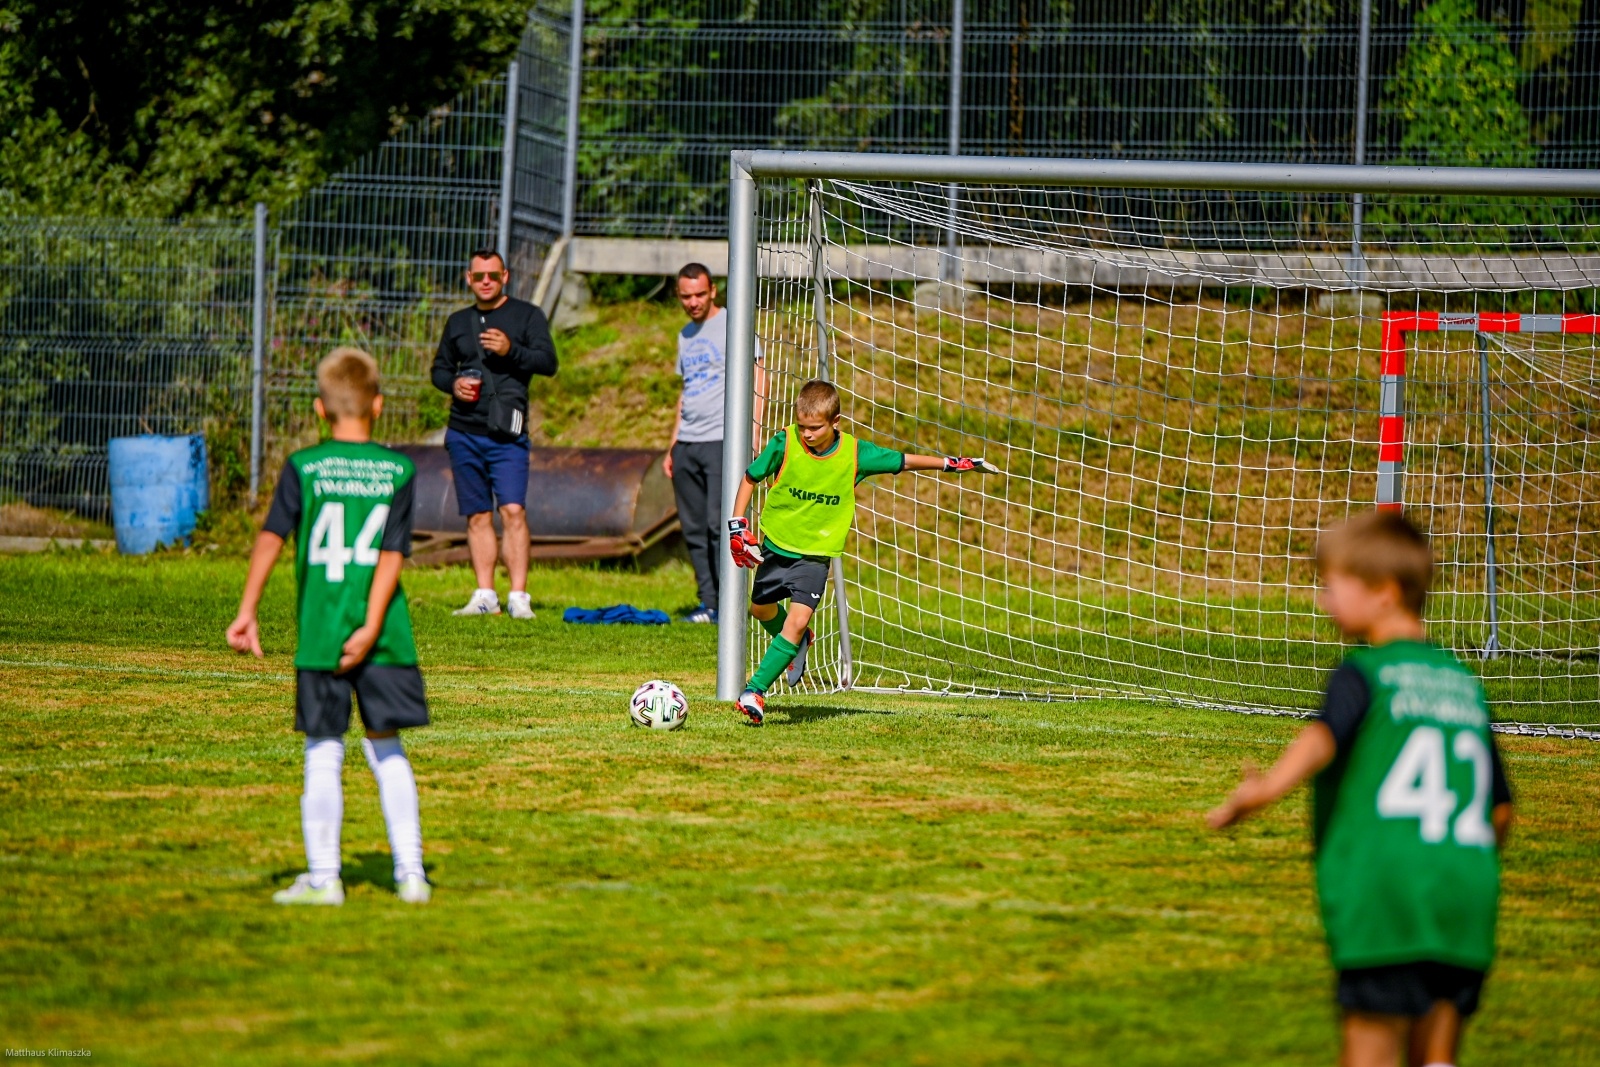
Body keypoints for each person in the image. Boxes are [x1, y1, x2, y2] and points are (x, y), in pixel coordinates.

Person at [1207, 511, 1513, 1067]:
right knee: (1437, 1055)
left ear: (1384, 593)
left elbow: (1323, 737)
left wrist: (1265, 789)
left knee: (1370, 1049)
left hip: (1389, 895)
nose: (1324, 602)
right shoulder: (1462, 684)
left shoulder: (1363, 674)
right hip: (1465, 897)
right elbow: (1500, 811)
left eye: (1332, 586)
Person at [226, 347, 431, 905]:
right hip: (384, 635)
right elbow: (392, 555)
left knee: (323, 748)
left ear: (320, 410)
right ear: (379, 406)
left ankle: (324, 879)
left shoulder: (304, 467)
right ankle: (411, 874)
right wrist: (368, 625)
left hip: (320, 632)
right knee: (387, 749)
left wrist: (248, 610)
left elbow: (271, 538)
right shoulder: (399, 470)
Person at [726, 379, 993, 724]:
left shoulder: (854, 454)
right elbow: (750, 477)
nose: (806, 434)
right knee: (760, 609)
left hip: (816, 556)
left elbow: (903, 461)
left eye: (815, 428)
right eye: (802, 426)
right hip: (776, 545)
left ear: (835, 422)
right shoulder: (785, 443)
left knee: (797, 618)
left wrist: (951, 464)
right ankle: (798, 643)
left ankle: (755, 691)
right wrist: (737, 523)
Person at [430, 247, 558, 619]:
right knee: (477, 515)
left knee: (513, 510)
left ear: (506, 277)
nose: (486, 281)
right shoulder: (457, 322)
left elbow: (548, 362)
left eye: (493, 275)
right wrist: (453, 384)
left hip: (508, 433)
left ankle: (519, 596)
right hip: (463, 431)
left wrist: (511, 349)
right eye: (479, 276)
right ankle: (485, 594)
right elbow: (439, 369)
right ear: (468, 279)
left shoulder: (527, 315)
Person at [662, 263, 763, 624]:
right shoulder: (685, 335)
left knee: (721, 524)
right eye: (686, 296)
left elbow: (758, 372)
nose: (693, 302)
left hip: (723, 439)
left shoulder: (734, 324)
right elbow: (686, 392)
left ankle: (731, 602)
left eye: (699, 294)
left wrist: (753, 429)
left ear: (713, 291)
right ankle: (708, 603)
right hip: (688, 443)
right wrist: (673, 444)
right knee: (693, 528)